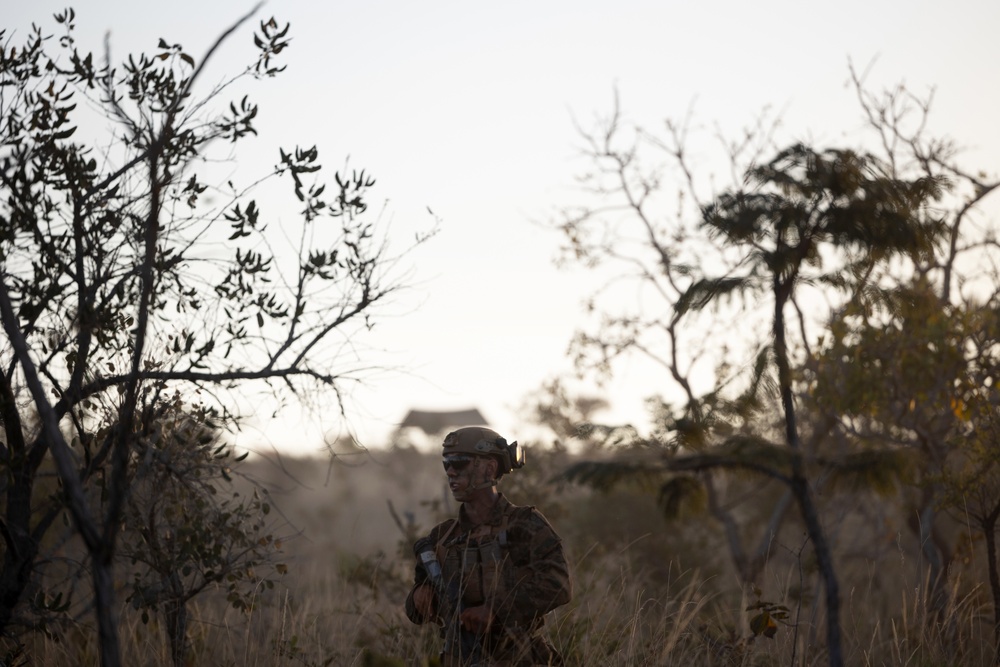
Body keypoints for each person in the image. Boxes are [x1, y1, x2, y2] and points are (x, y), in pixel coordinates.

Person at [405, 426, 572, 667]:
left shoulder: (524, 525)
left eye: (460, 463)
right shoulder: (442, 537)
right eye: (447, 464)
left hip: (519, 658)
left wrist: (495, 610)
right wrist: (419, 599)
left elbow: (559, 585)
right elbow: (415, 609)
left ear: (489, 468)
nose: (451, 472)